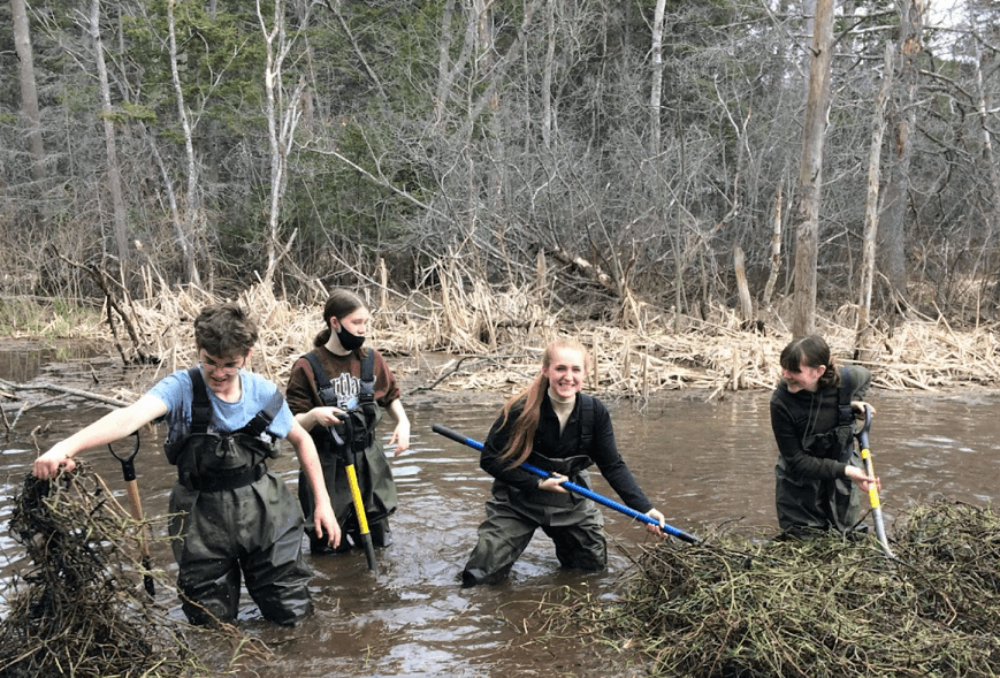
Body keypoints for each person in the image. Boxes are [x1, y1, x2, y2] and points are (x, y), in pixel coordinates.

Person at [33, 303, 340, 626]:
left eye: (229, 365)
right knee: (210, 621)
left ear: (247, 355)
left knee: (291, 612)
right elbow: (129, 418)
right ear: (198, 350)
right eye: (210, 362)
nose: (219, 373)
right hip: (199, 519)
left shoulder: (262, 391)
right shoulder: (180, 388)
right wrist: (66, 446)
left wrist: (323, 504)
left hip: (267, 513)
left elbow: (302, 439)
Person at [461, 338, 668, 587]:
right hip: (517, 500)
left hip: (570, 499)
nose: (567, 377)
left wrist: (644, 509)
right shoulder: (520, 410)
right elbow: (490, 460)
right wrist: (536, 483)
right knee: (480, 576)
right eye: (560, 368)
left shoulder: (595, 413)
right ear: (546, 370)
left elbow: (612, 465)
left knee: (592, 572)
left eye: (575, 370)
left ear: (586, 374)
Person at [286, 289, 410, 554]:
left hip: (369, 463)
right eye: (356, 323)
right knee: (330, 548)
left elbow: (390, 397)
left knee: (379, 545)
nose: (362, 329)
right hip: (327, 466)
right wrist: (313, 416)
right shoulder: (306, 367)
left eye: (366, 322)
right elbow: (292, 424)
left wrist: (403, 423)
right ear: (334, 322)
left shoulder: (372, 360)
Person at [771, 334, 879, 539]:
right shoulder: (781, 401)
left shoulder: (848, 378)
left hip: (843, 480)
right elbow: (796, 461)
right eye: (783, 368)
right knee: (804, 544)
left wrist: (852, 404)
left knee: (845, 539)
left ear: (819, 371)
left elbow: (866, 377)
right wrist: (850, 471)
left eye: (794, 370)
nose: (785, 375)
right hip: (799, 485)